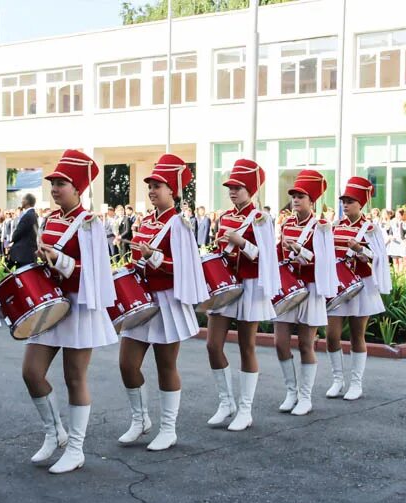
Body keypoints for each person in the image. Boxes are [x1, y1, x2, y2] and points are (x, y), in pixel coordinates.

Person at [22, 150, 117, 474]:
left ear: (78, 188)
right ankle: (54, 432)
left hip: (79, 305)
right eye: (53, 183)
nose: (55, 188)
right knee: (31, 372)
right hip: (51, 304)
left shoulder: (89, 222)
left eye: (61, 183)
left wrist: (59, 261)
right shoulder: (50, 219)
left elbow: (94, 271)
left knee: (74, 377)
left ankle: (75, 448)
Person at [117, 154, 208, 451]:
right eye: (150, 186)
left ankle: (168, 428)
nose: (152, 191)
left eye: (158, 185)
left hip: (167, 299)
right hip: (141, 299)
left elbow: (185, 267)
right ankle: (140, 419)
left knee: (165, 365)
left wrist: (152, 257)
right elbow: (137, 259)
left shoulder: (179, 223)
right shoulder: (145, 221)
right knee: (127, 364)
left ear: (173, 191)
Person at [205, 159, 280, 431]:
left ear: (251, 190)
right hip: (226, 283)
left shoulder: (261, 218)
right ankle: (227, 402)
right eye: (230, 188)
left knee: (246, 346)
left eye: (238, 188)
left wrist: (242, 243)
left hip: (250, 284)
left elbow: (266, 256)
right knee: (213, 345)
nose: (232, 192)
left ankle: (245, 409)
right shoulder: (225, 216)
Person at [272, 170, 337, 416]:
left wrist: (301, 251)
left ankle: (305, 397)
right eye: (294, 196)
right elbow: (279, 254)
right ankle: (291, 391)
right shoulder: (287, 223)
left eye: (301, 196)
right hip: (288, 287)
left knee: (306, 344)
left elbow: (325, 262)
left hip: (310, 288)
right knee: (280, 343)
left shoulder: (321, 227)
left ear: (312, 201)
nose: (296, 200)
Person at [324, 177, 391, 402]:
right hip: (338, 284)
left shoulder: (370, 228)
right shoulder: (335, 227)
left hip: (362, 284)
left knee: (356, 335)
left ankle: (356, 383)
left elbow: (379, 258)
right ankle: (337, 379)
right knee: (331, 335)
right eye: (343, 201)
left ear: (360, 204)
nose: (345, 205)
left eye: (350, 201)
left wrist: (361, 249)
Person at [8, 194, 39, 269]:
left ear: (27, 201)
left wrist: (12, 239)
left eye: (23, 199)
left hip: (24, 254)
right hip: (28, 253)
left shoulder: (28, 215)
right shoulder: (32, 214)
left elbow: (19, 232)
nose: (21, 201)